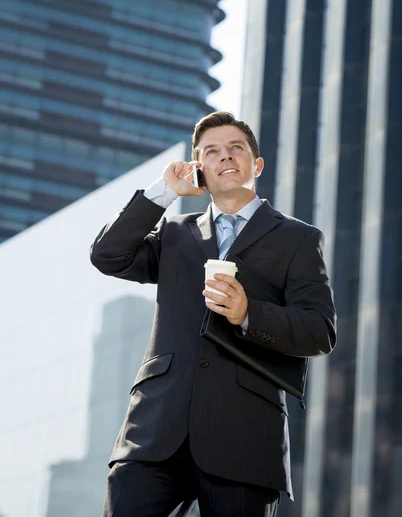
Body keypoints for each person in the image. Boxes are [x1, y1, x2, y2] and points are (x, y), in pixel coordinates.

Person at [90, 111, 337, 517]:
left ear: (255, 165)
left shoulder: (299, 239)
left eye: (236, 148)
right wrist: (164, 192)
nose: (225, 157)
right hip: (154, 431)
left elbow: (319, 331)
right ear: (198, 168)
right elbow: (107, 255)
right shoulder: (173, 235)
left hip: (243, 436)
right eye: (212, 152)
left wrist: (247, 314)